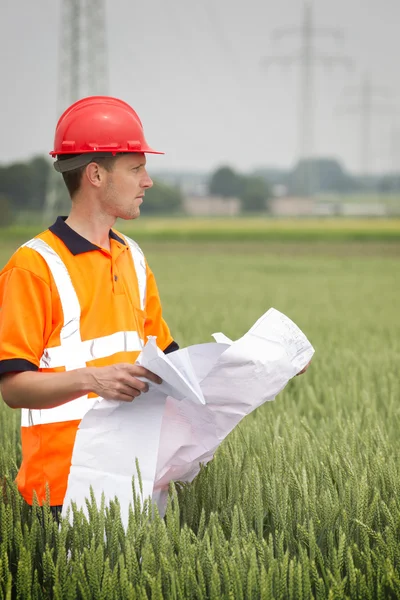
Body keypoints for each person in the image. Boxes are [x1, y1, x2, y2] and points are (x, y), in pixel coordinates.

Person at [0, 96, 179, 513]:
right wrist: (93, 380)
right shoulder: (33, 266)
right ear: (95, 174)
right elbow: (12, 387)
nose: (147, 180)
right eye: (136, 168)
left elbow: (173, 366)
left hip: (140, 484)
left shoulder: (132, 257)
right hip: (62, 495)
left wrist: (260, 364)